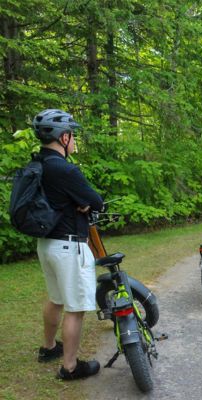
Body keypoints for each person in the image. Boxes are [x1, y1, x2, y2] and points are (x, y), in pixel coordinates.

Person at [33, 109, 104, 379]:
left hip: (47, 245)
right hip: (69, 246)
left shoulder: (38, 164)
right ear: (63, 137)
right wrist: (83, 203)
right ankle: (70, 367)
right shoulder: (64, 169)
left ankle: (49, 347)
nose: (74, 141)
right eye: (73, 135)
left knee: (56, 298)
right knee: (75, 308)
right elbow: (95, 201)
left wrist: (77, 202)